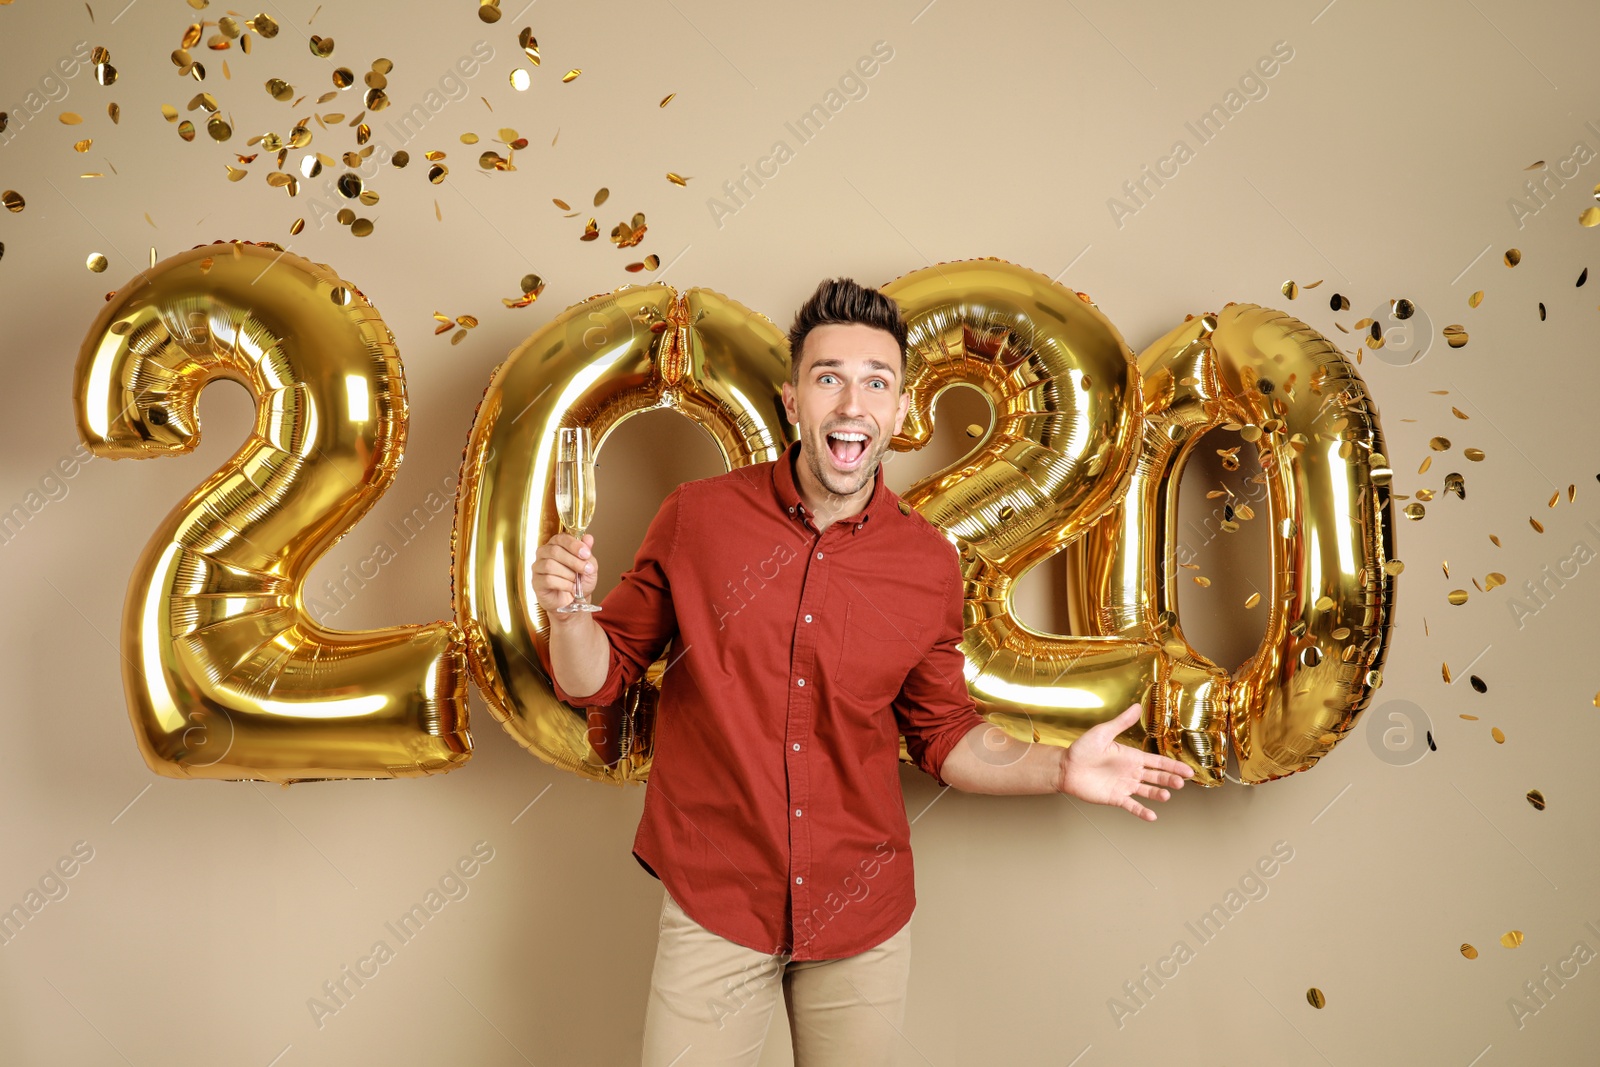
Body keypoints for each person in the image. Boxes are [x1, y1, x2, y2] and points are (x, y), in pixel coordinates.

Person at [531, 277, 1194, 1066]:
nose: (853, 403)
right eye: (829, 378)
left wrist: (1060, 767)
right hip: (716, 898)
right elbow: (593, 679)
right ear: (792, 401)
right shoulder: (696, 518)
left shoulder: (927, 563)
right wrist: (568, 614)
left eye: (876, 381)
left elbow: (946, 735)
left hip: (860, 914)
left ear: (902, 408)